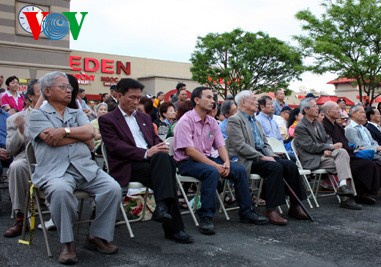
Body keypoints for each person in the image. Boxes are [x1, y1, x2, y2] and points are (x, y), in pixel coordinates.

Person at [27, 71, 122, 264]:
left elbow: (91, 133)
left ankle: (97, 235)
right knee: (61, 191)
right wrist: (80, 138)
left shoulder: (77, 112)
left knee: (113, 188)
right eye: (63, 87)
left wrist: (64, 131)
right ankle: (67, 243)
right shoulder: (37, 115)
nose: (69, 90)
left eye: (69, 87)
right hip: (55, 171)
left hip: (85, 168)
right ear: (47, 91)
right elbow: (50, 140)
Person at [99, 78, 193, 244]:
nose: (135, 102)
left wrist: (161, 146)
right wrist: (146, 153)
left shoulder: (144, 117)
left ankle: (162, 207)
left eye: (138, 98)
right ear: (119, 96)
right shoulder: (108, 119)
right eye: (131, 98)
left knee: (164, 161)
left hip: (152, 163)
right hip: (128, 165)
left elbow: (154, 138)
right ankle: (174, 227)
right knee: (167, 171)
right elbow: (116, 147)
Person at [173, 87, 268, 235]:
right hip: (188, 162)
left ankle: (246, 211)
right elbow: (190, 151)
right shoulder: (185, 121)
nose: (213, 101)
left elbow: (221, 145)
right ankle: (205, 215)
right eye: (209, 97)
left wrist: (227, 163)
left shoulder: (212, 121)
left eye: (213, 98)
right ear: (197, 100)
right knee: (211, 172)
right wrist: (216, 165)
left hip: (208, 158)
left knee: (239, 169)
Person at [226, 90, 309, 225]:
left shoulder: (255, 121)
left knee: (290, 165)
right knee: (274, 167)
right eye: (253, 99)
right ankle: (271, 209)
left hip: (263, 156)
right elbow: (240, 146)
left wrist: (270, 155)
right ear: (243, 103)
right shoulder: (234, 120)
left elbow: (265, 143)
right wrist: (262, 157)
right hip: (248, 159)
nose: (257, 102)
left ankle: (295, 205)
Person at [293, 98, 361, 210]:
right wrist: (328, 147)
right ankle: (347, 197)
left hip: (323, 157)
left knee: (343, 152)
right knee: (344, 163)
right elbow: (310, 146)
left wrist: (328, 147)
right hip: (311, 159)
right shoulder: (301, 127)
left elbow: (328, 138)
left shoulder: (318, 124)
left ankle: (343, 187)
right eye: (314, 106)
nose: (317, 108)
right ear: (306, 109)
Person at [320, 101, 381, 205]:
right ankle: (357, 194)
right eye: (337, 109)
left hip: (348, 153)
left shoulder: (337, 126)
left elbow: (345, 143)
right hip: (337, 155)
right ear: (329, 111)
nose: (340, 111)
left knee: (375, 163)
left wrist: (354, 149)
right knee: (366, 165)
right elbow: (328, 143)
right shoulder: (323, 126)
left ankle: (364, 193)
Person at [4, 79, 41, 237]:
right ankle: (21, 218)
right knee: (16, 166)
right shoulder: (15, 119)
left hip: (53, 159)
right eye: (41, 92)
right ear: (30, 98)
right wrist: (20, 131)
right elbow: (10, 150)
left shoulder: (56, 115)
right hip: (29, 161)